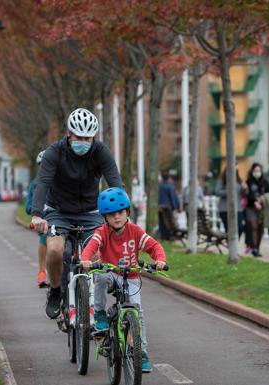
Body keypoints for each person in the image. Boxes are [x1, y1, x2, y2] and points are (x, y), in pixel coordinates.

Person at [30, 108, 123, 320]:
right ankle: (55, 291)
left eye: (88, 138)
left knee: (99, 254)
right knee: (55, 250)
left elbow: (115, 182)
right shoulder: (55, 152)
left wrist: (122, 212)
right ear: (69, 134)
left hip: (91, 212)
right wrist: (37, 214)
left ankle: (97, 303)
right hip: (58, 211)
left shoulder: (100, 152)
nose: (84, 141)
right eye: (79, 137)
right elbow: (42, 183)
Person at [80, 187, 166, 373]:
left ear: (127, 212)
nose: (116, 217)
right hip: (110, 272)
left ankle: (140, 352)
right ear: (104, 217)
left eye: (120, 212)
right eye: (111, 214)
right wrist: (86, 259)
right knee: (100, 276)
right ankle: (100, 313)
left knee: (137, 314)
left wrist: (160, 260)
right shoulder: (102, 232)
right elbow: (92, 245)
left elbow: (153, 246)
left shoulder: (135, 231)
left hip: (131, 276)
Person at [25, 150, 48, 288]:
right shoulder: (35, 185)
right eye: (42, 166)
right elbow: (28, 207)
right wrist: (35, 209)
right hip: (43, 220)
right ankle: (41, 272)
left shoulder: (61, 183)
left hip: (60, 217)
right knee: (44, 238)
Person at [245, 163, 269, 257]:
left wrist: (262, 201)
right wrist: (254, 202)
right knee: (253, 226)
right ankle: (254, 247)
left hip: (262, 208)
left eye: (259, 170)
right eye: (255, 170)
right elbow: (247, 195)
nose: (257, 172)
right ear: (252, 171)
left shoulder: (265, 182)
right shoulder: (248, 182)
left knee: (260, 228)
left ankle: (257, 247)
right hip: (251, 207)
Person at [215, 165, 246, 241]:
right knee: (229, 229)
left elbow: (244, 193)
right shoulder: (222, 180)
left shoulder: (239, 180)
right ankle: (231, 247)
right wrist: (229, 191)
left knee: (240, 227)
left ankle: (234, 245)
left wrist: (244, 188)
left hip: (238, 209)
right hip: (225, 209)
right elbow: (217, 192)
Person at [157, 173, 180, 240]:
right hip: (168, 208)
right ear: (169, 178)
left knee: (162, 222)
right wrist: (176, 207)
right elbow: (173, 197)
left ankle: (163, 236)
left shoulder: (160, 186)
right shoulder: (170, 186)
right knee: (169, 221)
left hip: (160, 208)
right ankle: (168, 236)